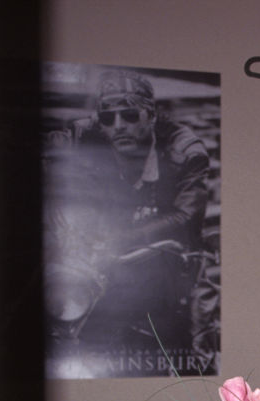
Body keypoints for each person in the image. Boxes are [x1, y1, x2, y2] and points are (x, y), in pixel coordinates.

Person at [47, 69, 214, 363]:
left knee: (195, 336)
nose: (119, 126)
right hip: (101, 257)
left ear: (151, 115)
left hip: (169, 257)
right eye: (108, 119)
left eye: (130, 115)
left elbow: (186, 217)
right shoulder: (79, 135)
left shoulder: (185, 152)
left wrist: (117, 239)